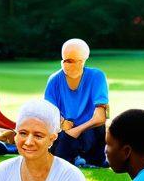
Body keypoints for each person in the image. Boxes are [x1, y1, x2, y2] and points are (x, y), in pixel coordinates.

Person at [43, 38, 110, 168]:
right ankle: (76, 159)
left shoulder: (96, 76)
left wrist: (76, 131)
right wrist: (62, 122)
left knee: (90, 134)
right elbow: (48, 113)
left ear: (83, 60)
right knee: (59, 150)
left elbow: (100, 117)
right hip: (64, 130)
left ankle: (88, 159)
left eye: (74, 61)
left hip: (89, 130)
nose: (69, 65)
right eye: (66, 60)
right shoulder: (54, 80)